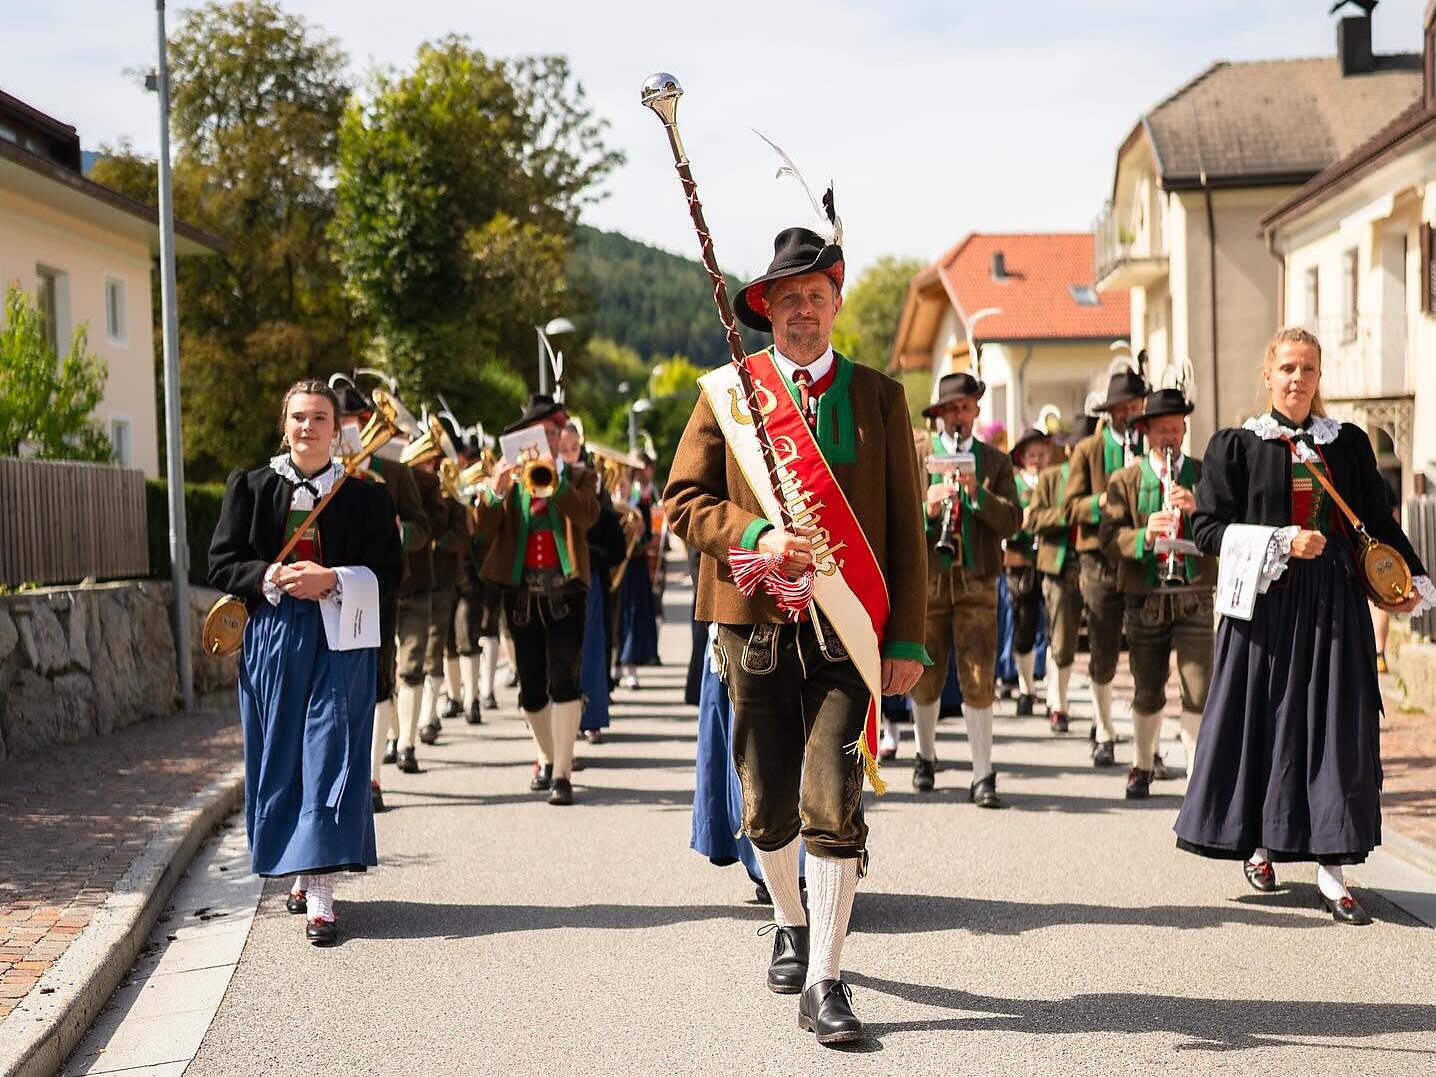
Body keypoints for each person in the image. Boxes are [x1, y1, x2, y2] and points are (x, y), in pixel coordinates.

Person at [665, 225, 928, 1045]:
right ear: (766, 310)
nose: (803, 311)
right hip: (756, 631)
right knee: (768, 806)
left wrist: (909, 642)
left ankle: (826, 979)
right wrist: (753, 536)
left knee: (830, 801)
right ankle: (789, 918)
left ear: (836, 303)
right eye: (788, 299)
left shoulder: (882, 395)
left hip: (851, 634)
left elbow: (905, 531)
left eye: (816, 296)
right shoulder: (729, 395)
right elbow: (682, 501)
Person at [1175, 327, 1432, 924]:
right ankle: (1262, 844)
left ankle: (1332, 871)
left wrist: (1410, 582)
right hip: (1265, 610)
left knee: (1335, 731)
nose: (1297, 379)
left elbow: (1379, 523)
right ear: (1268, 374)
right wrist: (1283, 540)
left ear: (1319, 379)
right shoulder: (1236, 446)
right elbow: (1208, 529)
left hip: (1334, 607)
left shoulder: (1347, 445)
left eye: (1308, 370)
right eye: (1288, 368)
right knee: (1267, 725)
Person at [209, 379, 402, 945]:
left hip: (340, 637)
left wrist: (332, 579)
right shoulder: (248, 487)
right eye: (298, 416)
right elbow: (222, 563)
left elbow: (390, 573)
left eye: (320, 417)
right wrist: (270, 576)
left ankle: (320, 892)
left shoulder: (366, 496)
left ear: (337, 427)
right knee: (281, 754)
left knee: (328, 753)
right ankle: (297, 862)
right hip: (272, 638)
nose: (308, 427)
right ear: (284, 424)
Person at [474, 395, 600, 805]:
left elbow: (587, 516)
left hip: (565, 591)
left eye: (550, 433)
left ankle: (562, 772)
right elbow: (483, 531)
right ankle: (546, 757)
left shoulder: (579, 476)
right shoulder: (509, 478)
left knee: (566, 680)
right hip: (522, 593)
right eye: (537, 435)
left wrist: (556, 480)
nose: (544, 441)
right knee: (531, 689)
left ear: (561, 435)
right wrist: (495, 491)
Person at [1098, 388, 1216, 799]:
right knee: (1147, 688)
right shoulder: (1125, 480)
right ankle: (1142, 764)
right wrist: (1144, 534)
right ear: (1146, 432)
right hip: (1145, 596)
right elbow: (1109, 538)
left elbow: (1225, 532)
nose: (1169, 436)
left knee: (1198, 688)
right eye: (1161, 429)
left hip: (1195, 592)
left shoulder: (1204, 475)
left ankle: (1197, 777)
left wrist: (1198, 509)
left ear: (1184, 428)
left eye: (1175, 427)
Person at [910, 372, 1021, 804]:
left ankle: (983, 774)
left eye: (966, 408)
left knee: (979, 677)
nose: (960, 416)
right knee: (925, 675)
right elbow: (896, 516)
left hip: (976, 580)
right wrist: (926, 509)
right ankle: (925, 754)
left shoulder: (995, 462)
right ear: (939, 414)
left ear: (976, 411)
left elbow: (1014, 521)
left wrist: (977, 497)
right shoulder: (918, 455)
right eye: (952, 409)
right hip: (930, 579)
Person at [334, 382, 431, 813]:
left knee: (376, 679)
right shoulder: (317, 470)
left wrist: (398, 532)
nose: (341, 429)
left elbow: (422, 525)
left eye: (347, 421)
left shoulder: (393, 469)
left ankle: (371, 777)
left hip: (379, 588)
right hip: (326, 590)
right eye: (334, 422)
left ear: (364, 423)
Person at [1064, 364, 1149, 765]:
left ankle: (1144, 742)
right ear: (1110, 411)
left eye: (1135, 404)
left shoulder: (1150, 446)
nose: (1129, 412)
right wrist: (1101, 502)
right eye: (1123, 406)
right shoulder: (1088, 450)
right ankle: (1104, 729)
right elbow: (1068, 506)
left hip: (1141, 557)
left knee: (1146, 648)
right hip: (1098, 558)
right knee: (1102, 644)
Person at [1025, 420, 1091, 734]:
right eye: (1077, 447)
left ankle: (1098, 714)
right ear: (1068, 449)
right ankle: (1059, 703)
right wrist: (1070, 512)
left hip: (1095, 565)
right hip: (1061, 566)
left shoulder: (1100, 478)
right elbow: (1034, 519)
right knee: (1061, 640)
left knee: (1101, 645)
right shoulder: (1052, 477)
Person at [1005, 426, 1053, 719]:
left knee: (1053, 628)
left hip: (1049, 561)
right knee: (1024, 626)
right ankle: (1026, 688)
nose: (1036, 459)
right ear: (1022, 458)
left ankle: (1051, 689)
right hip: (1020, 561)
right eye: (1031, 454)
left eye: (1041, 454)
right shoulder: (1014, 485)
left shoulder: (1054, 482)